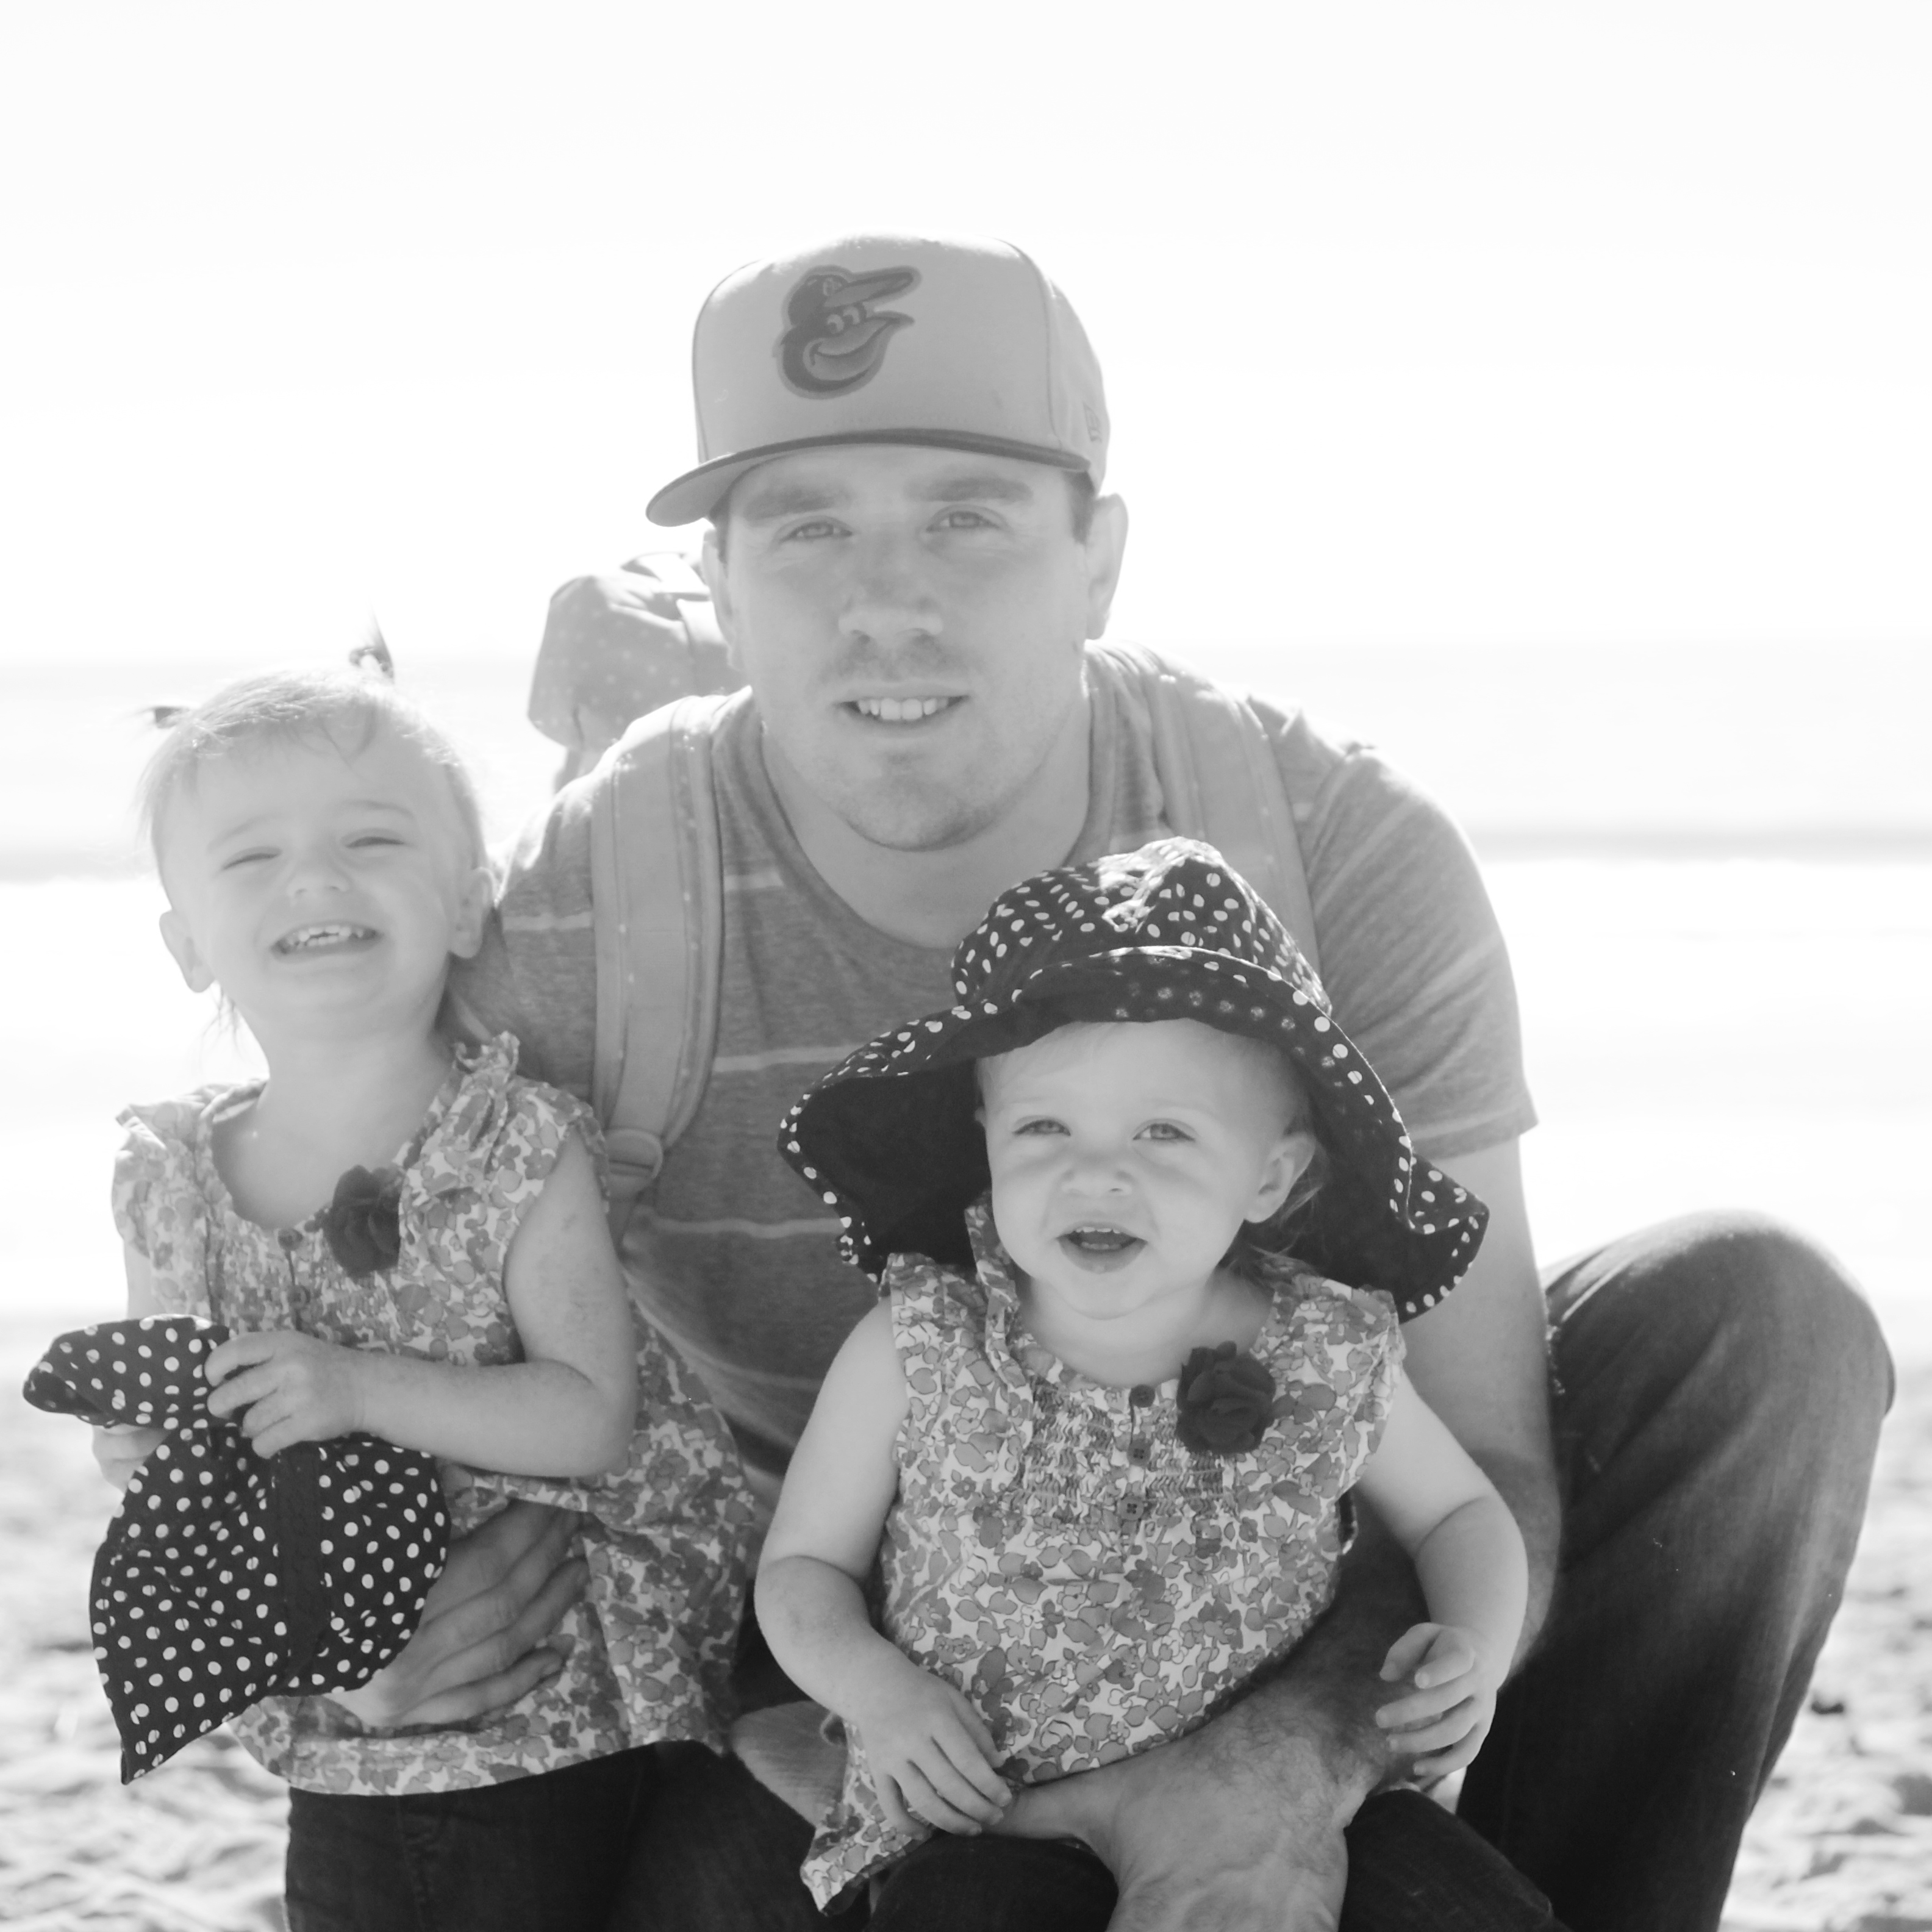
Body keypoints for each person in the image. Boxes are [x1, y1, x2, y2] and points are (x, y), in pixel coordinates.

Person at [352, 232, 1888, 1932]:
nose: (888, 603)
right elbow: (338, 1295)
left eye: (968, 517)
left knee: (1760, 1318)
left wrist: (1280, 1765)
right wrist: (362, 1619)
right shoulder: (597, 906)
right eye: (808, 527)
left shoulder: (1331, 847)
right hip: (870, 1670)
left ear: (1100, 559)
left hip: (1297, 1599)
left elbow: (1483, 1455)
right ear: (719, 579)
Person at [757, 838, 1533, 1923]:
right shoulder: (922, 1342)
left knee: (1467, 1910)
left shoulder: (1321, 1347)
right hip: (987, 1811)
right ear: (986, 1141)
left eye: (1164, 1133)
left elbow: (1460, 1512)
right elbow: (800, 1570)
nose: (1097, 1173)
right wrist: (876, 1693)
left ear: (1269, 1176)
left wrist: (1474, 1645)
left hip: (1253, 1805)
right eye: (1044, 1126)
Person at [98, 668, 754, 1931]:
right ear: (187, 946)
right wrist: (143, 1450)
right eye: (253, 857)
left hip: (539, 1685)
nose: (315, 878)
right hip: (335, 1679)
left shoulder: (516, 1142)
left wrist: (354, 1387)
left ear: (465, 906)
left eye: (372, 840)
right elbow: (181, 1436)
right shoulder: (168, 1177)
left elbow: (591, 1415)